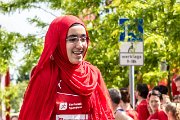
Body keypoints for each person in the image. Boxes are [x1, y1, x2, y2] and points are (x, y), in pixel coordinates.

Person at [19, 15, 114, 120]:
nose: (80, 45)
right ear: (58, 41)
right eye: (72, 39)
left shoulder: (93, 74)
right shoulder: (45, 75)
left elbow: (104, 115)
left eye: (83, 39)